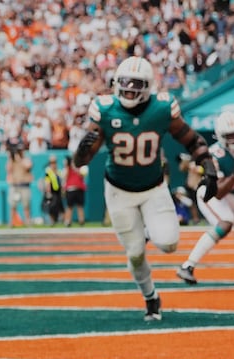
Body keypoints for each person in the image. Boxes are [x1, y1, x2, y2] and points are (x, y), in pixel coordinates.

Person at [74, 56, 218, 321]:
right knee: (135, 254)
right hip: (118, 191)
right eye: (125, 83)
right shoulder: (105, 110)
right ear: (116, 83)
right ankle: (151, 298)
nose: (129, 89)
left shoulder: (161, 108)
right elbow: (82, 160)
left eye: (136, 84)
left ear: (148, 86)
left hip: (153, 188)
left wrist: (207, 164)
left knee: (169, 243)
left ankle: (149, 231)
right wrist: (81, 151)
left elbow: (189, 138)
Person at [176, 111, 234, 284]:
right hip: (211, 192)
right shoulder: (214, 154)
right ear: (221, 136)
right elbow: (218, 191)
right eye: (231, 135)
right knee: (225, 221)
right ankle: (187, 266)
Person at [6, 147, 34, 226]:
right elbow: (8, 169)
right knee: (13, 205)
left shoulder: (25, 159)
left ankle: (28, 221)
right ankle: (11, 222)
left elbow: (28, 166)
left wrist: (19, 159)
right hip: (15, 185)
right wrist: (11, 158)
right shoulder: (12, 160)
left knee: (26, 205)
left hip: (24, 185)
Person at [41, 155, 64, 226]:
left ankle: (63, 221)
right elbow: (47, 182)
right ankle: (52, 221)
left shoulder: (58, 170)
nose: (54, 164)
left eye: (54, 162)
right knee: (52, 207)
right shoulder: (48, 171)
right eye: (52, 162)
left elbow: (61, 181)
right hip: (52, 192)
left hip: (58, 191)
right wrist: (48, 192)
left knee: (60, 207)